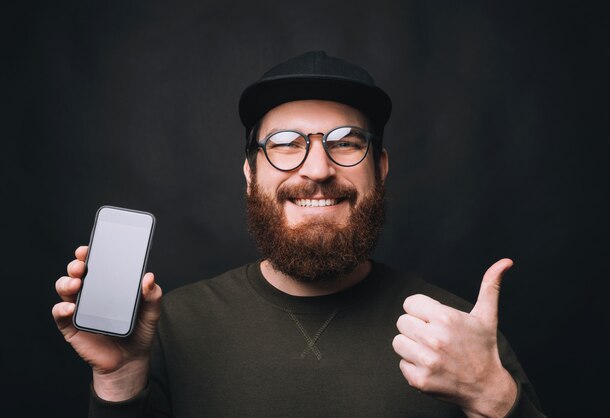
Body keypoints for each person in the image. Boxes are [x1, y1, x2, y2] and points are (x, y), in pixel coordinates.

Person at [53, 51, 545, 417]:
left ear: (381, 167)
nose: (317, 169)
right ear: (250, 174)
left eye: (346, 144)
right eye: (285, 145)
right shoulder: (165, 329)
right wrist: (117, 381)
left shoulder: (459, 335)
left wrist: (496, 397)